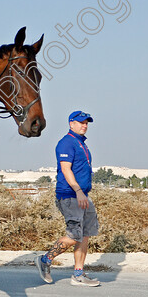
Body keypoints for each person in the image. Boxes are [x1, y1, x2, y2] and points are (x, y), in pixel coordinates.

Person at [35, 110, 101, 287]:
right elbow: (66, 169)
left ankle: (78, 274)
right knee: (73, 236)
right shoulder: (66, 143)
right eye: (81, 122)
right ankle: (45, 260)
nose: (84, 125)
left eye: (86, 123)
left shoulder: (81, 143)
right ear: (71, 124)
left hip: (83, 196)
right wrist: (78, 191)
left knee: (85, 234)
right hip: (70, 196)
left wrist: (83, 193)